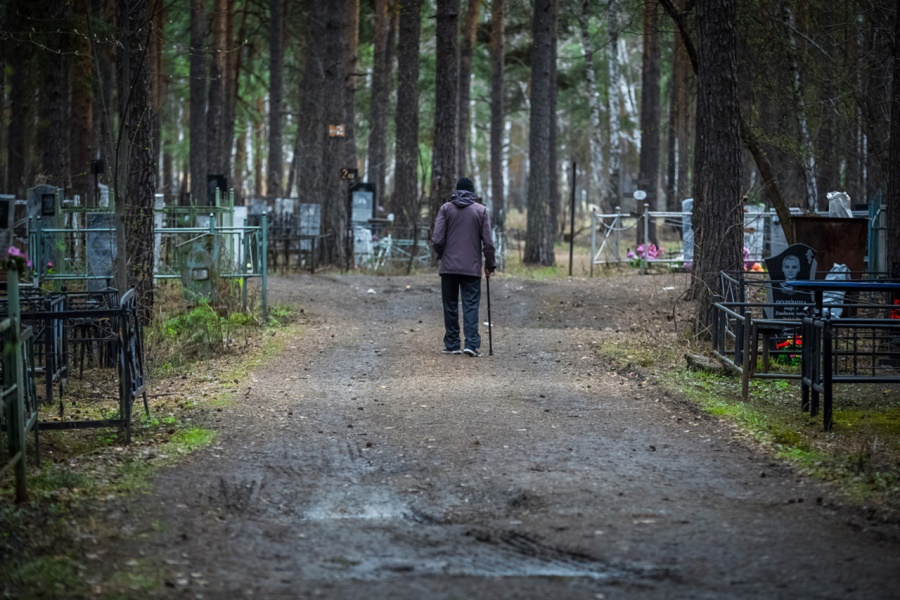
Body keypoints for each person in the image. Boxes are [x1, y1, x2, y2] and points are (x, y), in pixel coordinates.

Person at [432, 177, 496, 357]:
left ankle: (452, 344)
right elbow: (488, 243)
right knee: (470, 305)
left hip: (449, 267)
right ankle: (471, 344)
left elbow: (437, 239)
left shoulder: (446, 209)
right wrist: (490, 265)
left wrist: (442, 255)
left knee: (450, 305)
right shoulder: (481, 211)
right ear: (472, 193)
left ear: (456, 191)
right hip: (472, 268)